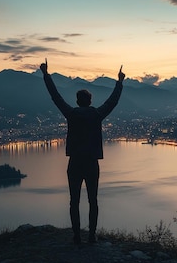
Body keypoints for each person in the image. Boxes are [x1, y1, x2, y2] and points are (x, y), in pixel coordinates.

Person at [40, 59, 125, 245]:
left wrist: (46, 75)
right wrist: (119, 82)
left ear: (78, 102)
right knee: (93, 200)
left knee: (74, 201)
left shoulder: (71, 114)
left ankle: (77, 235)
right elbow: (112, 101)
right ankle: (92, 235)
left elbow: (56, 97)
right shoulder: (97, 114)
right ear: (90, 101)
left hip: (75, 163)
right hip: (91, 163)